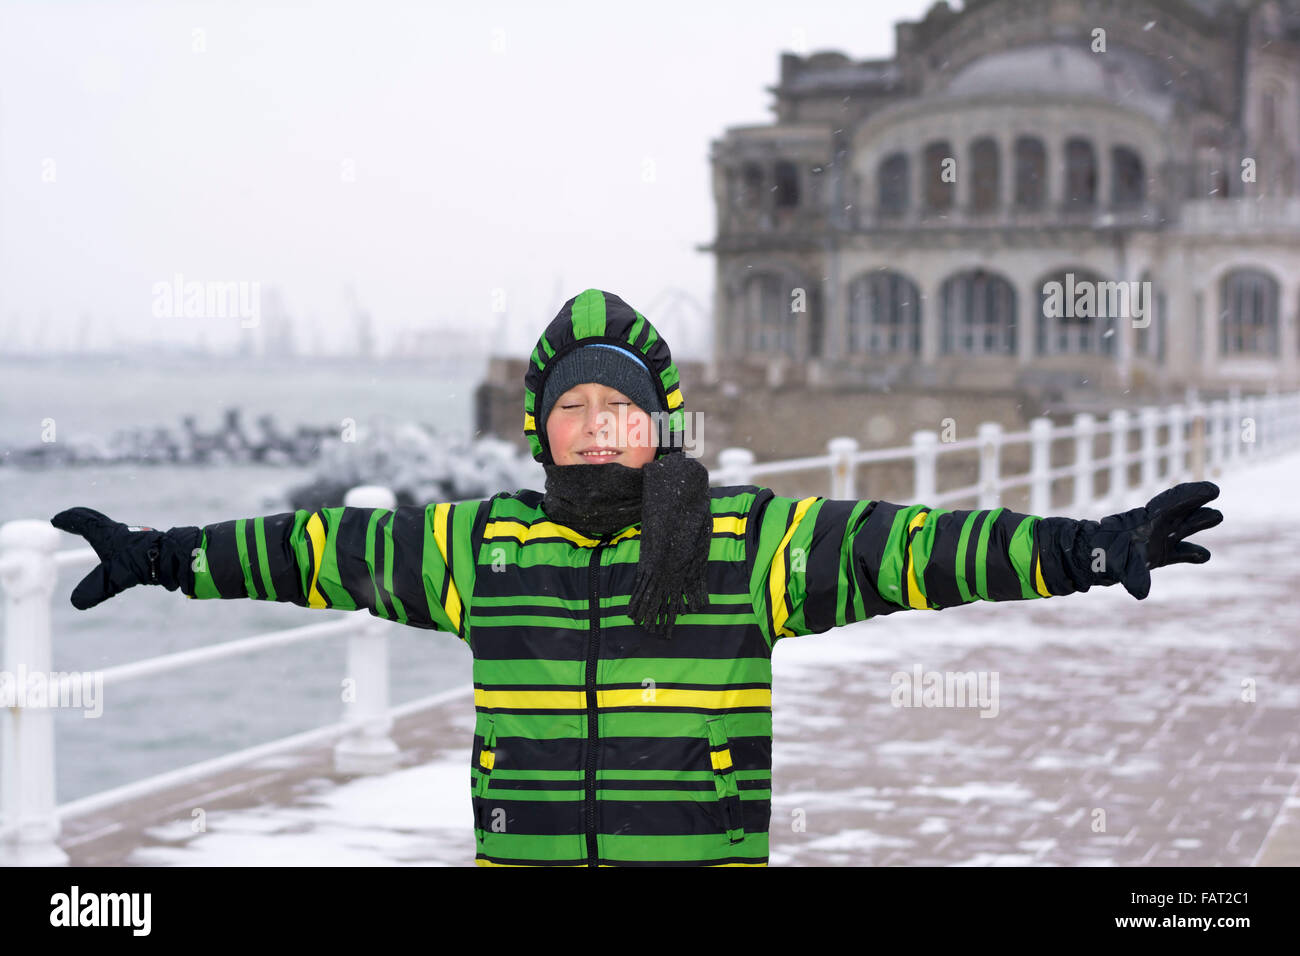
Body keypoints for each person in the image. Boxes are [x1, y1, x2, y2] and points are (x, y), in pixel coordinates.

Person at [51, 287, 1223, 867]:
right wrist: (159, 555)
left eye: (621, 408)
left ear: (656, 422)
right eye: (576, 407)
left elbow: (908, 546)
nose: (600, 428)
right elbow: (316, 553)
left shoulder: (744, 540)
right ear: (540, 427)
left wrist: (1084, 545)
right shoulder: (480, 545)